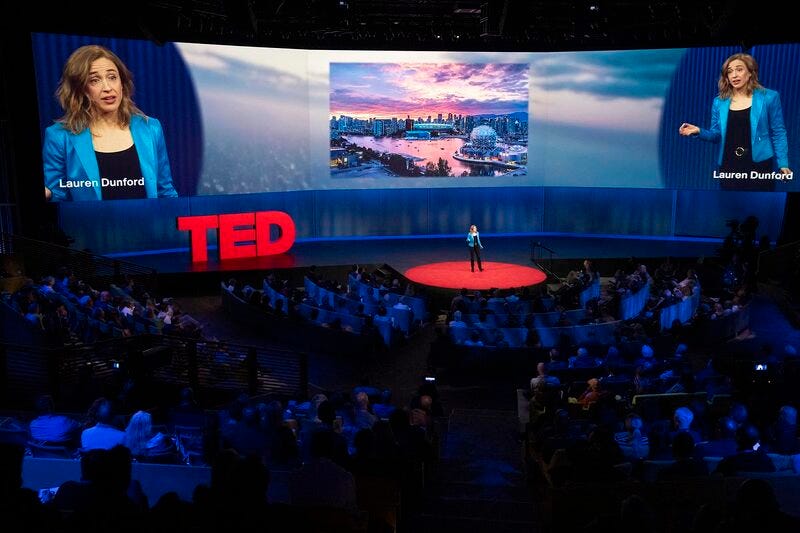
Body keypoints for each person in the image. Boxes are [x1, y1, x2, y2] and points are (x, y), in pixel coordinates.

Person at [43, 44, 178, 201]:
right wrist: (48, 194)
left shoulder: (150, 128)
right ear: (80, 88)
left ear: (122, 83)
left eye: (112, 77)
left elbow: (165, 191)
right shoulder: (59, 136)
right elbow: (57, 196)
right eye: (94, 80)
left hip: (147, 218)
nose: (107, 87)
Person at [679, 53, 791, 191]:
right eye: (729, 72)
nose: (734, 75)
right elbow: (716, 135)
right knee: (731, 202)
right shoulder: (719, 102)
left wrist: (783, 163)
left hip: (760, 164)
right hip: (729, 165)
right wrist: (699, 131)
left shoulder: (769, 97)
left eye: (739, 69)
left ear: (750, 73)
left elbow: (778, 132)